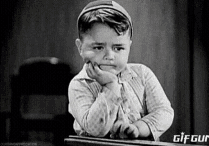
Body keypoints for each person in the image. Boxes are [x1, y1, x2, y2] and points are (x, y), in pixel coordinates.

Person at [68, 0, 174, 141]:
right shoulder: (79, 85)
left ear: (129, 46)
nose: (109, 56)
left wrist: (138, 128)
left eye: (118, 48)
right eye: (98, 47)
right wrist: (110, 85)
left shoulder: (142, 74)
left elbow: (164, 111)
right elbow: (95, 130)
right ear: (80, 47)